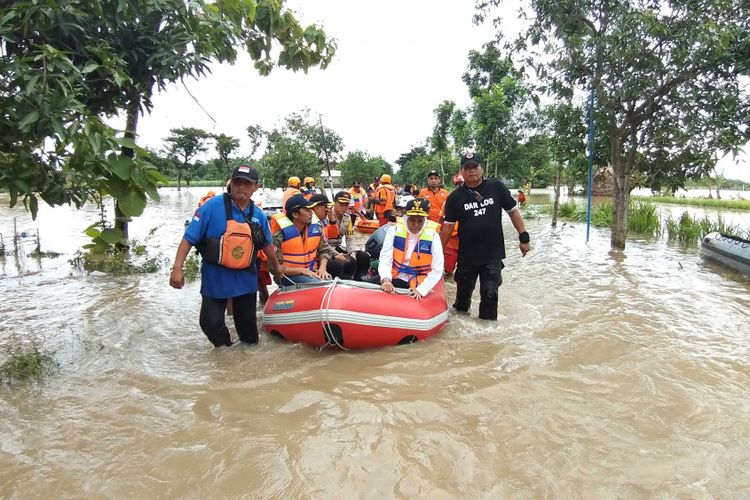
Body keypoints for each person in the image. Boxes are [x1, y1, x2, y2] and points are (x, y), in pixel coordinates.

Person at [169, 165, 281, 347]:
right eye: (237, 182)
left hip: (245, 280)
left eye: (247, 183)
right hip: (215, 278)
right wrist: (177, 269)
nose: (241, 187)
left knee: (249, 336)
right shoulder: (212, 207)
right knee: (209, 323)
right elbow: (188, 238)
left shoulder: (258, 214)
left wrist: (277, 269)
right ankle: (226, 351)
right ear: (231, 182)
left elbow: (268, 246)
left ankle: (243, 363)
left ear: (256, 187)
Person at [439, 152, 530, 320]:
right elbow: (447, 228)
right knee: (462, 301)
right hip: (467, 256)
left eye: (475, 167)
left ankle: (488, 336)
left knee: (490, 295)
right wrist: (437, 255)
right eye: (467, 168)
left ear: (482, 168)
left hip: (492, 254)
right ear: (461, 171)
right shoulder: (454, 197)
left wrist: (524, 237)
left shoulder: (496, 187)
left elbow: (513, 212)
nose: (472, 171)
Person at [378, 198, 444, 301]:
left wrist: (422, 290)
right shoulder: (393, 231)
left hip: (419, 281)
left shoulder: (433, 236)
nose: (416, 225)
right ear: (405, 218)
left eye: (420, 221)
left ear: (425, 220)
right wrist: (386, 280)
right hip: (394, 276)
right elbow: (385, 258)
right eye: (412, 220)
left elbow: (437, 269)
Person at [271, 194, 332, 286]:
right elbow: (275, 268)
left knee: (329, 278)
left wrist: (322, 269)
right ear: (295, 214)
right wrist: (302, 271)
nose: (311, 213)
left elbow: (325, 251)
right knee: (317, 283)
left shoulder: (316, 230)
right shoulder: (279, 237)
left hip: (311, 272)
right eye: (307, 210)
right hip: (288, 276)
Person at [439, 174, 464, 274]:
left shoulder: (474, 198)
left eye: (462, 183)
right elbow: (441, 218)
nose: (461, 186)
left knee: (466, 270)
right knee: (448, 269)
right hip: (450, 239)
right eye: (458, 184)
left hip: (465, 239)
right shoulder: (450, 200)